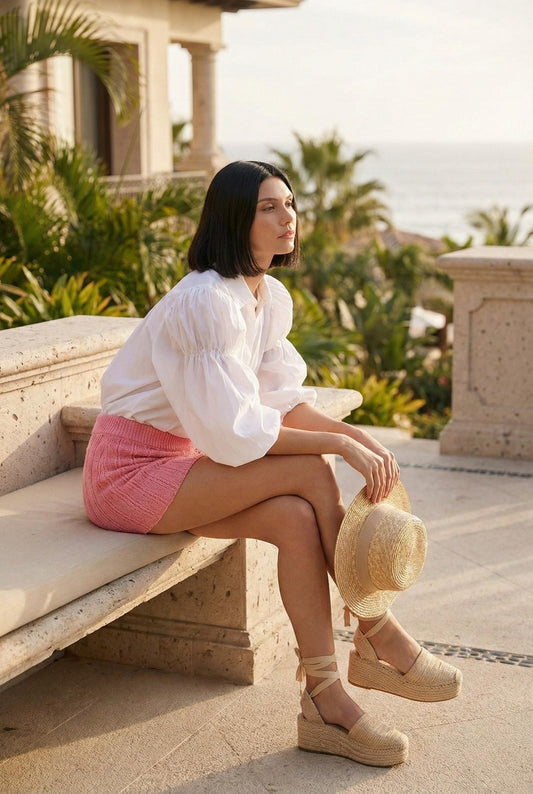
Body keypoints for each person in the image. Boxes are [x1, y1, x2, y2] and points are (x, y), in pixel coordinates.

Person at [83, 160, 461, 768]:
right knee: (311, 473)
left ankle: (324, 698)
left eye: (289, 204)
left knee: (293, 516)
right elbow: (235, 435)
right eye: (269, 207)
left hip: (182, 468)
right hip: (128, 477)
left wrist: (352, 434)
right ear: (236, 218)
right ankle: (378, 631)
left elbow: (280, 403)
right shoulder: (204, 302)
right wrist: (337, 449)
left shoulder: (261, 296)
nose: (288, 218)